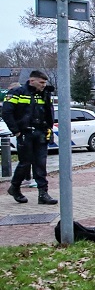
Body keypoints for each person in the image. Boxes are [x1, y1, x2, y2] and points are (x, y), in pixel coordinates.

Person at [2, 70, 58, 204]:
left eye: (45, 83)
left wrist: (49, 129)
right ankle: (15, 187)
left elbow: (48, 112)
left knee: (41, 164)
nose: (44, 85)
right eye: (41, 82)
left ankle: (43, 194)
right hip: (25, 133)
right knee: (25, 163)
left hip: (41, 132)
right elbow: (6, 113)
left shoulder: (44, 94)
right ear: (32, 81)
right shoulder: (17, 93)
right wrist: (16, 131)